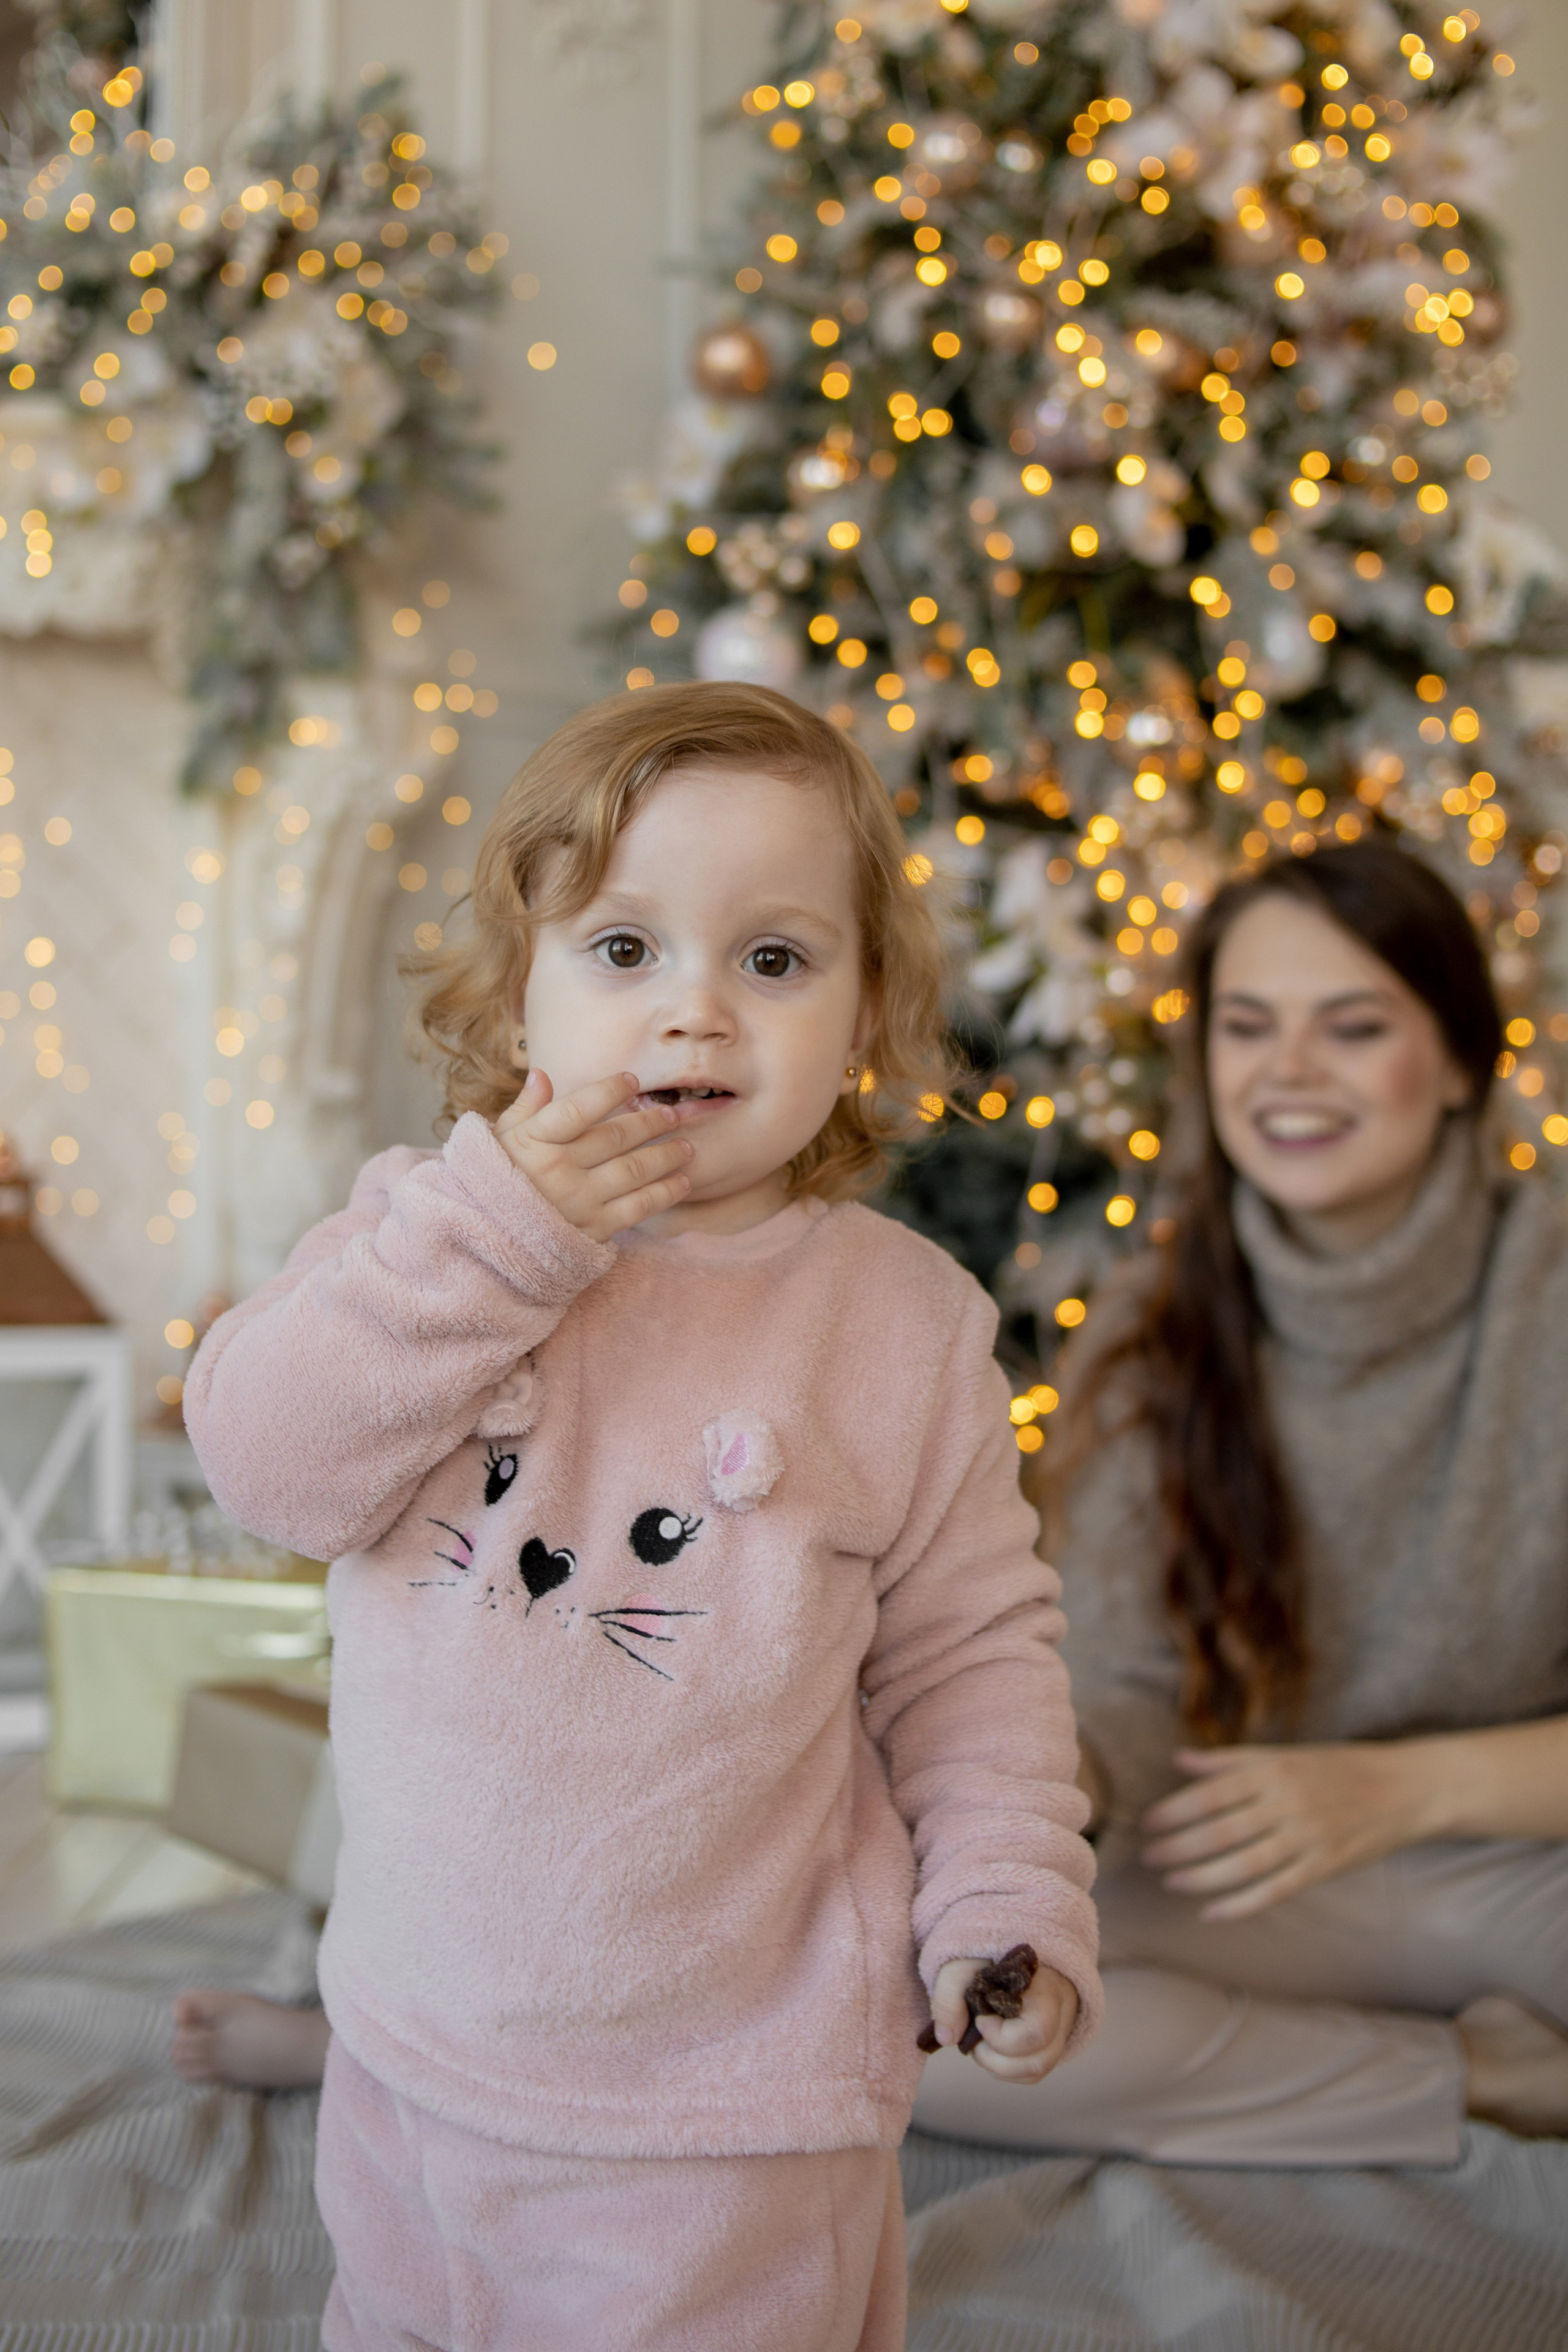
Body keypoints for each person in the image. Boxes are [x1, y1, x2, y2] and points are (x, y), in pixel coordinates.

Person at [181, 681, 1101, 2352]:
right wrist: (498, 1239)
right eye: (623, 949)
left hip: (725, 2117)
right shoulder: (423, 1236)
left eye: (774, 959)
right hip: (414, 2054)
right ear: (517, 989)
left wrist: (1005, 1905)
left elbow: (971, 1666)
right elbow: (271, 1472)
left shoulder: (901, 1328)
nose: (696, 1014)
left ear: (866, 1011)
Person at [915, 840, 1568, 2167]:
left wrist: (1398, 1790)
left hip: (1518, 1860)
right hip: (1247, 1871)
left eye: (1354, 1027)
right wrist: (1057, 1787)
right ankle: (1476, 2078)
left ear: (1458, 1065)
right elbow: (1123, 1689)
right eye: (1248, 1026)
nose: (1289, 1072)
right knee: (903, 2016)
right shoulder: (1151, 1332)